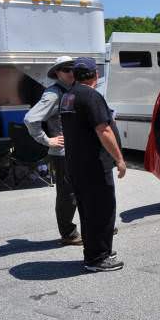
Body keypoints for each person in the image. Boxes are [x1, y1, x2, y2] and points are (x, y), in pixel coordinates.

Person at [60, 57, 127, 272]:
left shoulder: (68, 96)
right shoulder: (91, 95)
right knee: (101, 210)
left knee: (88, 210)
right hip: (94, 165)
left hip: (77, 164)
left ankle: (97, 249)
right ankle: (97, 258)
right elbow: (103, 130)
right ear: (95, 75)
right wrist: (119, 159)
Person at [24, 56, 81, 246]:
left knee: (83, 191)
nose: (71, 72)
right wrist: (48, 140)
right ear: (57, 73)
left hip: (77, 152)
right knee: (67, 196)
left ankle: (92, 226)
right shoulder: (53, 94)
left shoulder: (73, 90)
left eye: (73, 69)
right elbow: (31, 119)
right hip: (63, 154)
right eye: (66, 69)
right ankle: (68, 234)